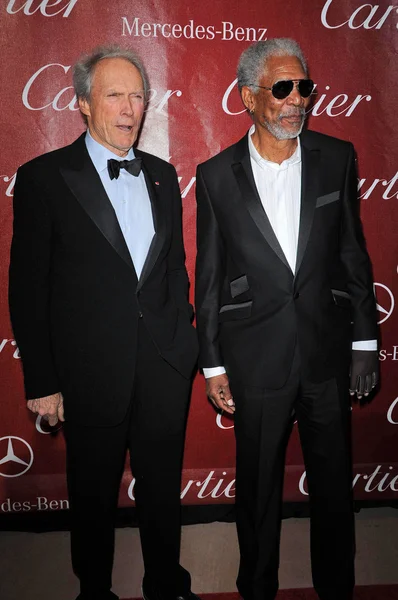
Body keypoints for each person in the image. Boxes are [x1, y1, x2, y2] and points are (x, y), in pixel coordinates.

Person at [9, 45, 199, 600]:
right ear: (83, 104)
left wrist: (183, 343)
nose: (130, 108)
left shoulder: (163, 176)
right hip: (89, 372)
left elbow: (173, 271)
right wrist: (42, 382)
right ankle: (94, 590)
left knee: (162, 490)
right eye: (115, 95)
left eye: (138, 95)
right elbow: (28, 288)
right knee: (91, 495)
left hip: (164, 364)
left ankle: (168, 583)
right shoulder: (44, 178)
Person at [195, 38, 379, 600]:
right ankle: (256, 589)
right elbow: (210, 277)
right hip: (256, 360)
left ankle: (336, 588)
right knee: (256, 493)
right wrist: (213, 363)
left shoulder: (336, 157)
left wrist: (365, 346)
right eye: (282, 88)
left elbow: (354, 256)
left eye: (303, 87)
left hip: (325, 355)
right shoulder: (215, 175)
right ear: (249, 97)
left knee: (333, 492)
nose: (296, 99)